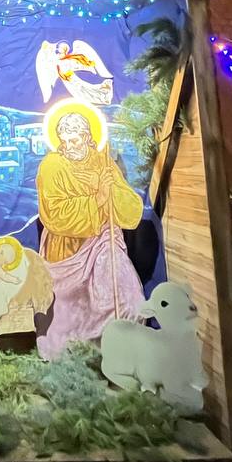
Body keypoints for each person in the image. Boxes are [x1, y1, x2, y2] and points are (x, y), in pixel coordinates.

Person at [35, 108, 144, 359]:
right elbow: (54, 214)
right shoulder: (52, 166)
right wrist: (98, 198)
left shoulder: (102, 163)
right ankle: (75, 357)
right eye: (64, 141)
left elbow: (131, 212)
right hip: (65, 249)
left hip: (103, 241)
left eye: (74, 140)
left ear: (87, 137)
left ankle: (118, 352)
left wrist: (112, 191)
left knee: (128, 299)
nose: (68, 146)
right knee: (68, 319)